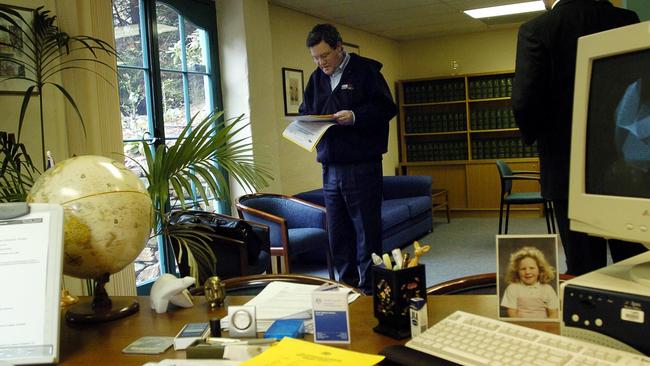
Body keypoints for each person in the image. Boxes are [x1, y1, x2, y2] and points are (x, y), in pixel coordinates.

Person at [511, 0, 646, 276]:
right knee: (635, 260)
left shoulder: (537, 29)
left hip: (566, 166)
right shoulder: (625, 18)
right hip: (625, 160)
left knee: (584, 266)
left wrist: (538, 134)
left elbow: (524, 101)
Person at [299, 24, 397, 293]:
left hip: (362, 165)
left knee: (366, 231)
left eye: (325, 56)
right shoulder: (316, 78)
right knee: (339, 233)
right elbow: (306, 110)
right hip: (330, 167)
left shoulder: (366, 71)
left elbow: (386, 108)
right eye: (316, 58)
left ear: (339, 47)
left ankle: (369, 289)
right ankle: (347, 287)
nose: (321, 63)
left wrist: (355, 116)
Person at [501, 246, 559, 319]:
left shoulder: (548, 289)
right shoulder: (513, 288)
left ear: (540, 270)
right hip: (520, 325)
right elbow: (512, 313)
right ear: (517, 271)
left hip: (543, 326)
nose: (527, 272)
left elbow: (553, 313)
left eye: (532, 268)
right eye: (523, 269)